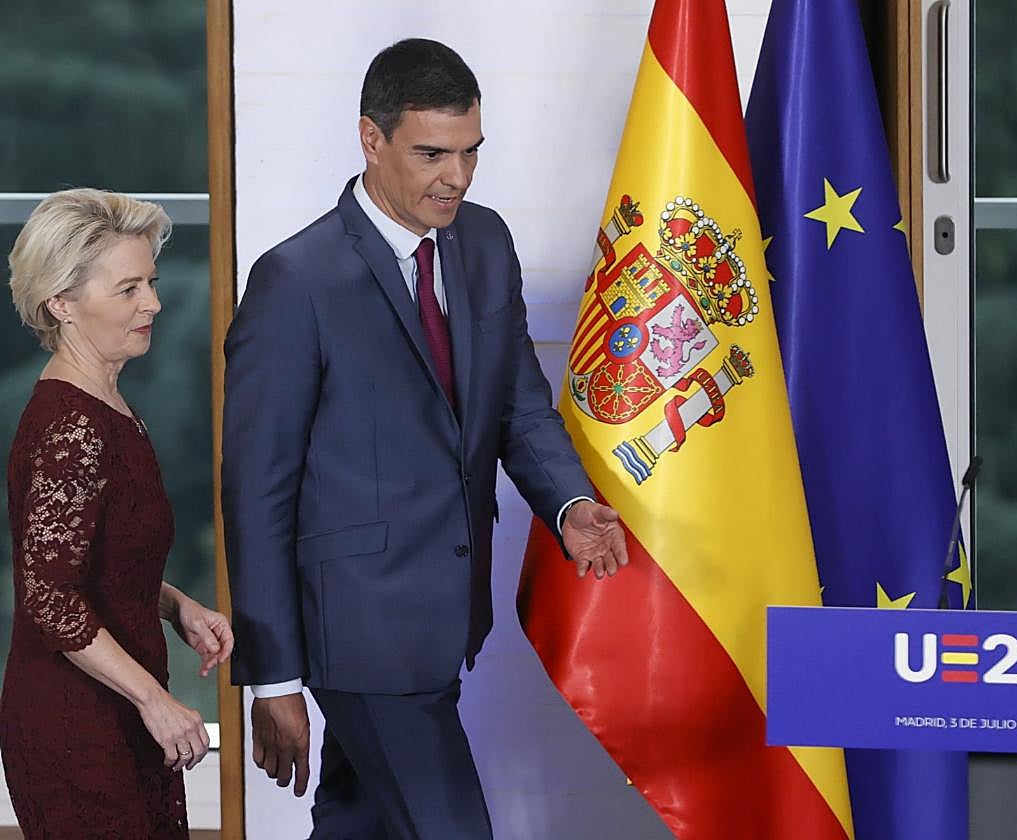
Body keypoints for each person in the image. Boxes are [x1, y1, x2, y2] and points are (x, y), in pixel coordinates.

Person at [222, 38, 628, 838]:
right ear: (371, 140)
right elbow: (257, 491)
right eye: (433, 154)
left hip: (447, 618)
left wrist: (570, 503)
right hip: (359, 633)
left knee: (360, 822)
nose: (458, 177)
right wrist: (274, 678)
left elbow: (518, 406)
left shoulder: (485, 243)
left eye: (471, 151)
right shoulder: (295, 280)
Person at [1, 188, 234, 838]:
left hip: (117, 710)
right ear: (62, 303)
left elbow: (93, 564)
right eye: (128, 288)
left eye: (150, 283)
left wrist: (176, 605)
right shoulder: (71, 427)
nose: (153, 303)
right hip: (77, 725)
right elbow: (49, 597)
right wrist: (155, 701)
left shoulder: (108, 407)